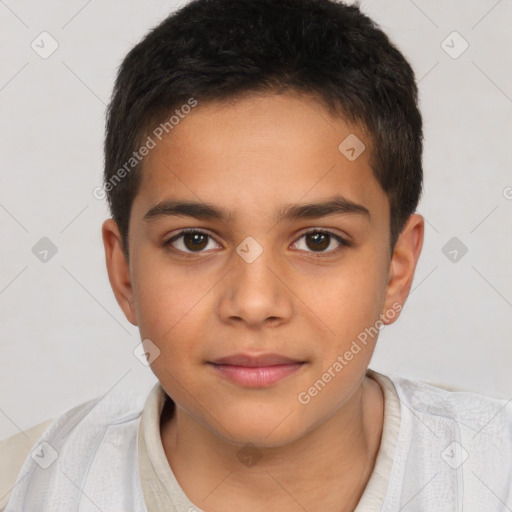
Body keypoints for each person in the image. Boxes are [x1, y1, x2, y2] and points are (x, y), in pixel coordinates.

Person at [2, 0, 511, 510]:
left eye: (318, 240)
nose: (254, 302)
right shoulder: (26, 487)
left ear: (397, 270)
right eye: (194, 240)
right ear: (125, 273)